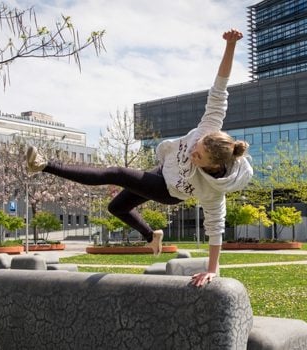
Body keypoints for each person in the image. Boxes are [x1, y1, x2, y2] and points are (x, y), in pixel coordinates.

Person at [26, 28, 253, 287]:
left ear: (212, 165)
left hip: (168, 190)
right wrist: (231, 46)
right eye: (195, 145)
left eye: (197, 156)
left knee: (117, 174)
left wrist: (212, 269)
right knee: (117, 208)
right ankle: (151, 235)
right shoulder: (209, 126)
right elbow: (220, 87)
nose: (192, 151)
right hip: (161, 171)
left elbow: (215, 228)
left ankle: (44, 164)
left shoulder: (213, 190)